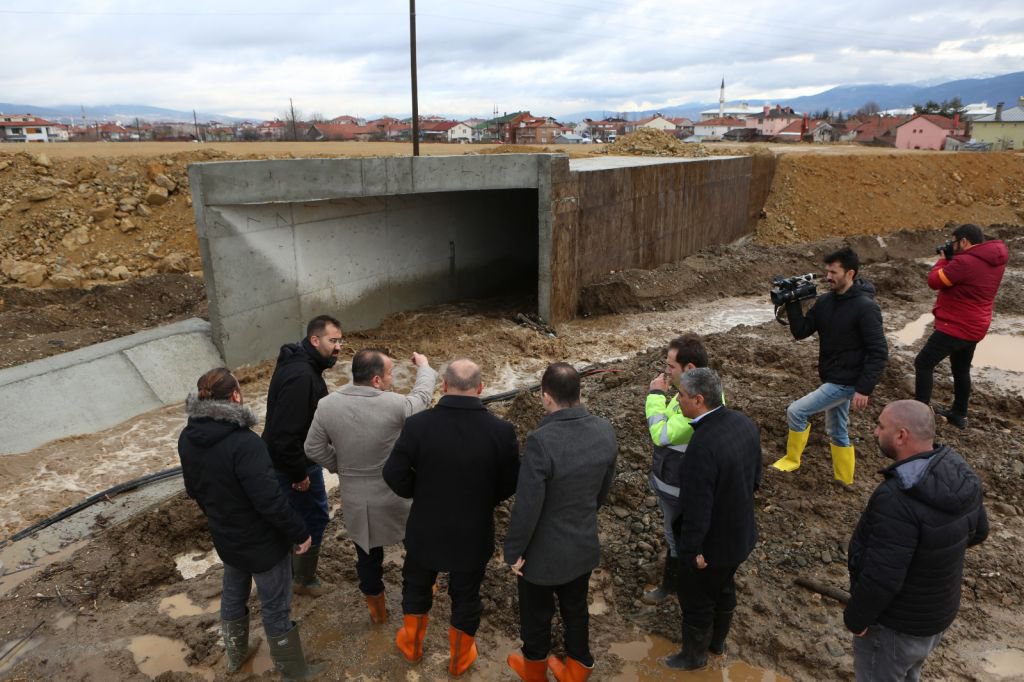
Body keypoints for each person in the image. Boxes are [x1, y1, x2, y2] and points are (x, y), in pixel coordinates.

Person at [178, 368, 322, 680]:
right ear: (235, 397)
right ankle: (294, 673)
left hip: (226, 536)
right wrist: (299, 531)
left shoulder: (188, 437)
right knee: (275, 608)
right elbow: (269, 501)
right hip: (263, 544)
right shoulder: (246, 444)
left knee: (233, 594)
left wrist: (221, 516)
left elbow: (194, 489)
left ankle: (236, 656)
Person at [383, 358, 520, 676]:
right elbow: (511, 482)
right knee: (466, 595)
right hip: (472, 530)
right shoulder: (501, 432)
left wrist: (421, 492)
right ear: (481, 388)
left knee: (416, 587)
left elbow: (393, 474)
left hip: (425, 527)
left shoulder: (418, 425)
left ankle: (412, 646)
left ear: (444, 386)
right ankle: (459, 659)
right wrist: (484, 500)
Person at [845, 400, 988, 681]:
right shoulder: (959, 472)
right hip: (936, 616)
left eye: (881, 426)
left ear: (901, 435)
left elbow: (882, 577)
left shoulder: (896, 498)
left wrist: (857, 619)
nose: (875, 432)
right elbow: (979, 532)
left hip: (895, 625)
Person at [305, 348, 437, 624]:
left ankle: (378, 612)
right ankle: (417, 600)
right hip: (396, 492)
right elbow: (423, 398)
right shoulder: (395, 404)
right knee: (415, 545)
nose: (391, 379)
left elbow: (312, 447)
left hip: (356, 497)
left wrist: (340, 466)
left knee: (367, 555)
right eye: (389, 374)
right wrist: (423, 367)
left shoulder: (327, 405)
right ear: (376, 380)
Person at [504, 363, 617, 682]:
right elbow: (602, 492)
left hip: (542, 554)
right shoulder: (605, 430)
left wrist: (514, 551)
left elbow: (528, 506)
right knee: (576, 609)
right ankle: (579, 668)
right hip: (582, 544)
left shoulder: (541, 440)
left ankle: (534, 671)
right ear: (580, 393)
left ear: (546, 398)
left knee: (536, 617)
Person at [665, 368, 761, 671]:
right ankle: (717, 642)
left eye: (681, 395)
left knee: (696, 599)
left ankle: (693, 657)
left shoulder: (702, 446)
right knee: (724, 587)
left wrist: (693, 552)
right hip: (740, 534)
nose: (677, 400)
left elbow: (697, 508)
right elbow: (755, 478)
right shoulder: (743, 423)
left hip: (712, 547)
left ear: (698, 399)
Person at [772, 247, 888, 486]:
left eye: (834, 272)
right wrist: (793, 302)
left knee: (797, 411)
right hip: (833, 375)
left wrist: (864, 388)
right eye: (827, 272)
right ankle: (844, 479)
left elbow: (878, 352)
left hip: (847, 381)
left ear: (850, 273)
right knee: (837, 430)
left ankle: (792, 459)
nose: (828, 277)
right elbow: (801, 332)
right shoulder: (825, 302)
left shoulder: (866, 308)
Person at [262, 314, 343, 597]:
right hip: (293, 465)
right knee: (315, 517)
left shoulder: (298, 364)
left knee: (290, 516)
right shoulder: (302, 377)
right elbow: (285, 434)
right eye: (333, 341)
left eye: (340, 341)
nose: (338, 347)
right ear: (314, 340)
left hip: (284, 461)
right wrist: (299, 474)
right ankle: (303, 580)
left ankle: (291, 574)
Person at [914, 224, 1008, 429]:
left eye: (954, 242)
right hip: (976, 326)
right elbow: (964, 278)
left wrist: (942, 260)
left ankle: (919, 415)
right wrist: (952, 259)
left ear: (964, 241)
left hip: (955, 326)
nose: (952, 245)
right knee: (961, 369)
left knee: (923, 363)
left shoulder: (964, 262)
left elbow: (934, 281)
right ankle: (959, 414)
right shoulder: (994, 260)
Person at [643, 333, 710, 605]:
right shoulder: (691, 390)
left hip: (679, 487)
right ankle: (676, 584)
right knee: (676, 535)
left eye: (671, 366)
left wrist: (656, 395)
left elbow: (661, 434)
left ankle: (678, 588)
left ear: (690, 368)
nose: (666, 371)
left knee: (679, 538)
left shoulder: (697, 404)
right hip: (672, 481)